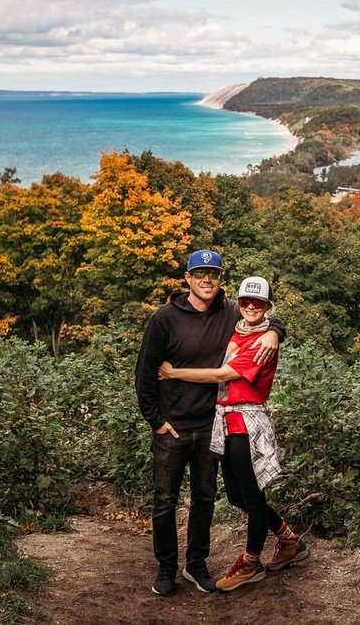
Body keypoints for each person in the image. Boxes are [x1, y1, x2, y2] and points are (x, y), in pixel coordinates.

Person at [135, 250, 285, 597]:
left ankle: (196, 566)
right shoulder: (164, 318)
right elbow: (145, 373)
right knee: (164, 501)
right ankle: (166, 569)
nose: (207, 279)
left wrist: (276, 331)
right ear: (186, 278)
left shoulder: (230, 311)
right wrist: (156, 421)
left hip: (211, 426)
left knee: (204, 498)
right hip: (172, 426)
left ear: (221, 279)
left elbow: (261, 314)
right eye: (199, 273)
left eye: (213, 274)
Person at [158, 275, 308, 592]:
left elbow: (221, 374)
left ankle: (251, 563)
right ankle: (289, 540)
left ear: (268, 305)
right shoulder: (236, 328)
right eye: (245, 301)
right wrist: (274, 329)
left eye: (259, 302)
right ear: (237, 303)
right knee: (239, 496)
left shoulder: (259, 341)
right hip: (225, 422)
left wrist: (172, 372)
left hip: (246, 421)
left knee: (251, 497)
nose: (251, 307)